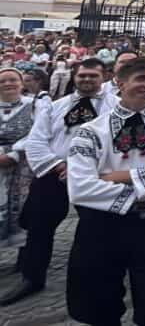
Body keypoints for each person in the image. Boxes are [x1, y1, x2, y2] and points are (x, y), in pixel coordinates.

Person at [65, 56, 145, 326]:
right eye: (142, 78)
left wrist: (118, 176)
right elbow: (80, 188)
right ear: (120, 83)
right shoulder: (90, 131)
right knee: (99, 303)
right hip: (103, 225)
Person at [5, 59, 111, 306]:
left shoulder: (115, 107)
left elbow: (115, 145)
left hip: (94, 176)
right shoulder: (55, 106)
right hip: (54, 173)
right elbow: (37, 140)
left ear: (103, 76)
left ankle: (91, 279)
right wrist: (58, 165)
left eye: (92, 76)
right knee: (39, 225)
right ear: (74, 76)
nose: (86, 80)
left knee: (95, 230)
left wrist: (81, 168)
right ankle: (32, 276)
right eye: (82, 75)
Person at [0, 67, 33, 254]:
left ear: (21, 83)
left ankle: (24, 259)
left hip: (24, 165)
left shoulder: (34, 105)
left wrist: (13, 154)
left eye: (12, 80)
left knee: (23, 209)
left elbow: (38, 133)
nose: (7, 84)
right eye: (2, 81)